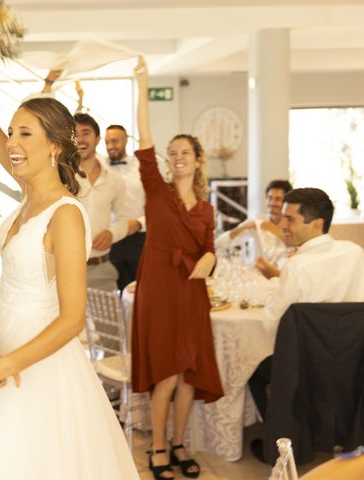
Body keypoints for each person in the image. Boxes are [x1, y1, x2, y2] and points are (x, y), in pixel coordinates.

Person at [0, 63, 139, 479]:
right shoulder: (27, 195)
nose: (11, 143)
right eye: (12, 132)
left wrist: (7, 366)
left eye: (25, 134)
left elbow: (72, 318)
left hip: (36, 347)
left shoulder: (65, 215)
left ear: (56, 147)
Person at [131, 56, 223, 479]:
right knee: (166, 374)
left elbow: (209, 249)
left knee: (188, 373)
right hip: (159, 286)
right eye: (173, 154)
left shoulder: (206, 209)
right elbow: (145, 138)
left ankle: (182, 442)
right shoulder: (156, 188)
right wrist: (143, 85)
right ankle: (159, 446)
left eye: (184, 152)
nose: (177, 157)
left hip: (190, 291)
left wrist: (210, 258)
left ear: (198, 159)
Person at [248, 187, 364, 462]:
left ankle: (283, 444)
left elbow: (273, 325)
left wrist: (276, 281)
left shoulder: (298, 266)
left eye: (290, 219)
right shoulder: (355, 254)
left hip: (305, 367)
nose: (282, 225)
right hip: (352, 361)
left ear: (316, 224)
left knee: (252, 370)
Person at [74, 112, 129, 291]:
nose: (80, 139)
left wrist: (112, 234)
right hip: (66, 270)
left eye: (86, 133)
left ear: (98, 139)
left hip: (102, 271)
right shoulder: (60, 177)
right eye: (75, 134)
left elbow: (123, 219)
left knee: (107, 321)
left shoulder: (115, 180)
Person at [215, 179, 292, 275]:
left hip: (284, 277)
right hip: (256, 279)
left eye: (277, 199)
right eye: (269, 198)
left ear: (286, 202)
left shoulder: (292, 225)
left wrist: (270, 227)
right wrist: (242, 228)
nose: (272, 203)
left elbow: (297, 248)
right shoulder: (257, 223)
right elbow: (219, 244)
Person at [105, 124, 146, 290]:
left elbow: (154, 206)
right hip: (111, 240)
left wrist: (139, 223)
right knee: (114, 293)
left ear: (126, 140)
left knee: (141, 291)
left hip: (138, 238)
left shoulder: (142, 167)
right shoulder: (100, 166)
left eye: (114, 141)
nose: (110, 147)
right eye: (107, 142)